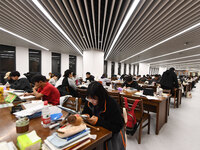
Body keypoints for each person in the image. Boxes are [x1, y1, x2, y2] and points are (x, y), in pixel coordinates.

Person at [82, 81, 125, 150]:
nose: (91, 101)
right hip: (96, 132)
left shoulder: (111, 104)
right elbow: (85, 111)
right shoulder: (89, 101)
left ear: (101, 96)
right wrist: (85, 115)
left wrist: (98, 121)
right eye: (89, 98)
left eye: (94, 99)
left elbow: (117, 127)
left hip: (111, 134)